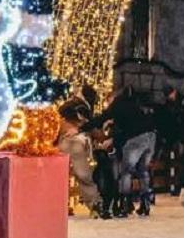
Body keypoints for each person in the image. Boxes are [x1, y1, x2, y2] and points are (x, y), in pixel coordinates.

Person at [80, 86, 156, 217]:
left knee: (125, 172)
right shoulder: (133, 103)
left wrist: (83, 127)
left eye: (109, 101)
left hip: (136, 139)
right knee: (143, 171)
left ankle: (124, 204)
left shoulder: (117, 105)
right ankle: (145, 203)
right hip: (151, 137)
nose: (107, 104)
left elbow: (103, 118)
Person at [56, 100, 100, 217]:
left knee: (61, 177)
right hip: (77, 145)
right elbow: (95, 131)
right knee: (83, 175)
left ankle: (60, 206)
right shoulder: (83, 121)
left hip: (68, 145)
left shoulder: (62, 120)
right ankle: (94, 204)